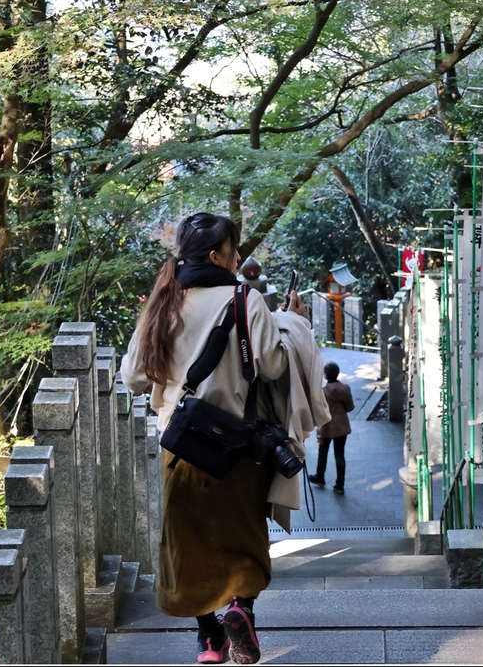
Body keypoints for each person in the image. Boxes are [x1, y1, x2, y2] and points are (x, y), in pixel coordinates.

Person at [120, 212, 328, 665]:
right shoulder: (244, 300)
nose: (238, 259)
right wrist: (290, 323)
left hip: (182, 447)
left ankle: (209, 639)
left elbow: (133, 376)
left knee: (188, 541)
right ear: (217, 256)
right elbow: (273, 367)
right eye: (234, 252)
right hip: (238, 444)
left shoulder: (163, 301)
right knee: (244, 536)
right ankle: (240, 609)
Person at [309, 361, 354, 495]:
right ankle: (340, 485)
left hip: (326, 426)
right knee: (339, 454)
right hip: (341, 425)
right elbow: (350, 407)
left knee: (323, 452)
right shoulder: (345, 388)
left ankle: (320, 477)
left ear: (326, 376)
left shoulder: (322, 392)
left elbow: (319, 413)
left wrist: (318, 434)